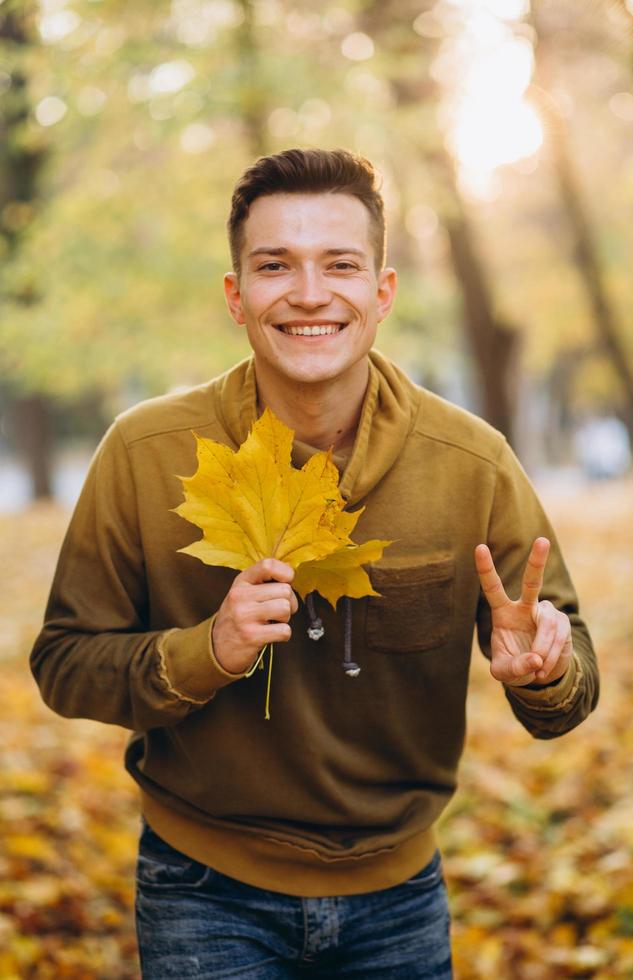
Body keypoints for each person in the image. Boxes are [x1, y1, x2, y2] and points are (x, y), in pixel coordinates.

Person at [31, 148, 599, 979]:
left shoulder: (471, 462)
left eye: (339, 264)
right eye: (274, 266)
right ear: (236, 296)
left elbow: (570, 680)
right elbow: (63, 664)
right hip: (204, 886)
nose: (307, 293)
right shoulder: (147, 453)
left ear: (382, 292)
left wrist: (544, 671)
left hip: (399, 895)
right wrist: (209, 651)